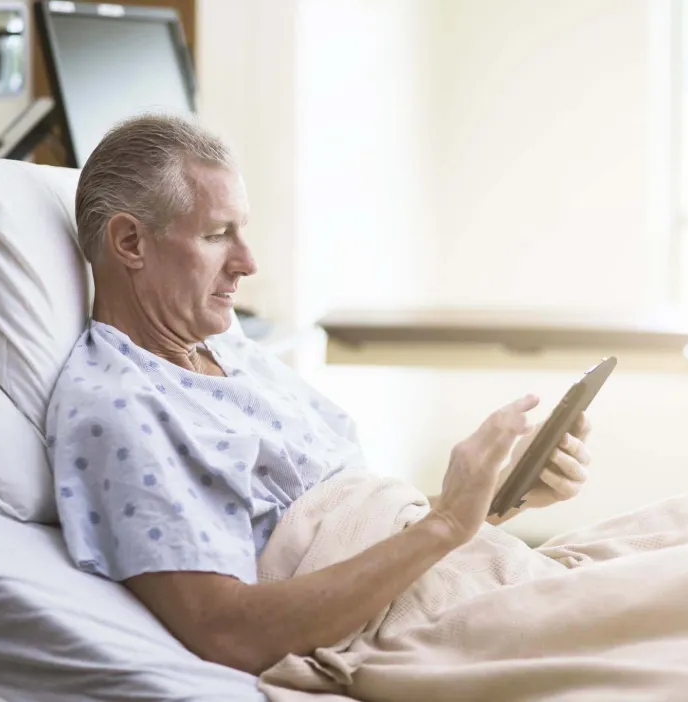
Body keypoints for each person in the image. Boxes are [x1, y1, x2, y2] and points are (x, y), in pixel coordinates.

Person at [46, 114, 592, 676]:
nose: (248, 262)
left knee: (685, 537)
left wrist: (497, 496)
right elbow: (227, 632)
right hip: (408, 631)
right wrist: (448, 523)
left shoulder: (236, 355)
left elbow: (366, 538)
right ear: (130, 241)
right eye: (216, 235)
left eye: (242, 230)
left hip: (459, 576)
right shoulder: (121, 411)